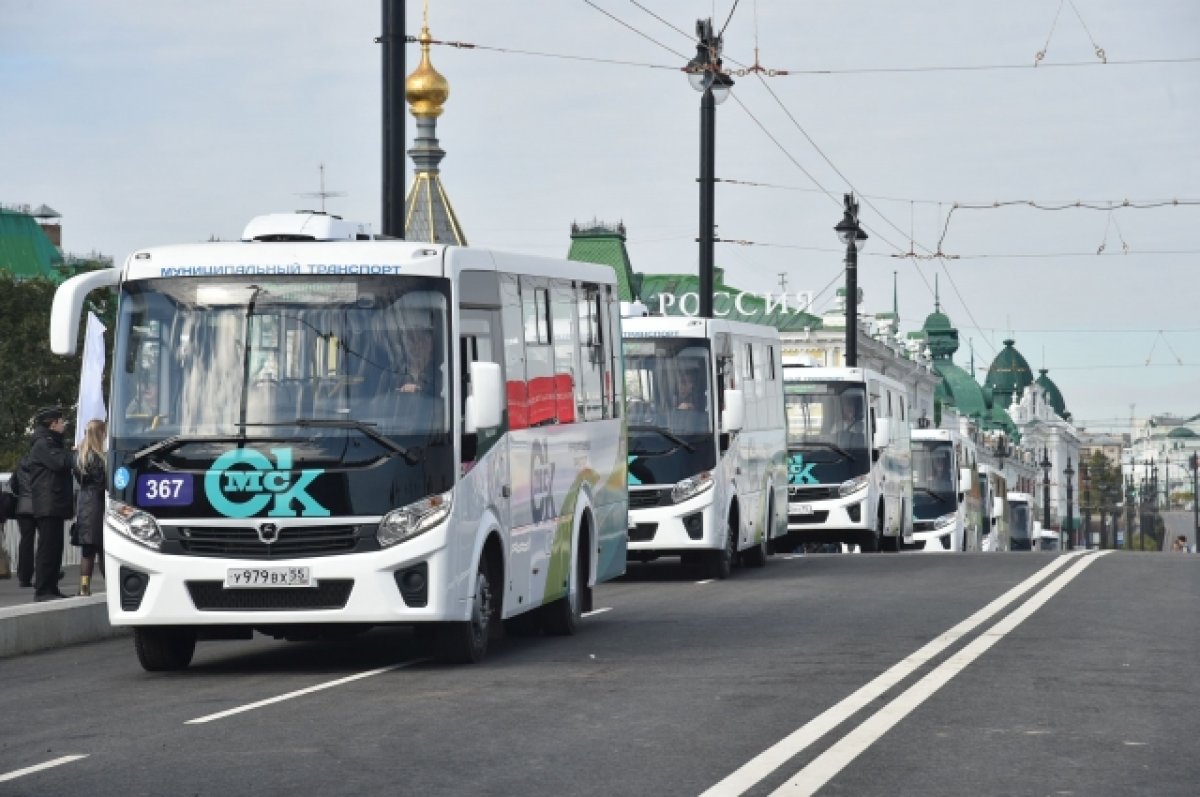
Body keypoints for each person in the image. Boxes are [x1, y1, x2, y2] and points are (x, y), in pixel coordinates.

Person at [26, 407, 75, 601]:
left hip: (54, 503)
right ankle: (43, 590)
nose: (63, 425)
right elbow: (59, 463)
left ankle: (51, 588)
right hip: (48, 504)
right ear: (53, 423)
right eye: (61, 422)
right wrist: (75, 454)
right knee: (48, 548)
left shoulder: (51, 442)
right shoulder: (43, 443)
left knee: (55, 548)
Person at [73, 419, 107, 596]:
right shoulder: (100, 459)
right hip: (98, 504)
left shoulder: (80, 457)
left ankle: (84, 587)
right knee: (103, 548)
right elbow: (103, 483)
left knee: (88, 550)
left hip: (84, 502)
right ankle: (111, 586)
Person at [10, 454, 37, 588]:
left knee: (26, 541)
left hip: (23, 507)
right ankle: (46, 574)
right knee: (46, 541)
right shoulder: (41, 463)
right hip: (40, 506)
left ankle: (24, 577)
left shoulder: (21, 464)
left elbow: (13, 484)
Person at [397, 323, 439, 395]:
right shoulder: (392, 374)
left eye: (423, 343)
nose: (417, 348)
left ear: (430, 347)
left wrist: (419, 388)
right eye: (412, 342)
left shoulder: (439, 375)